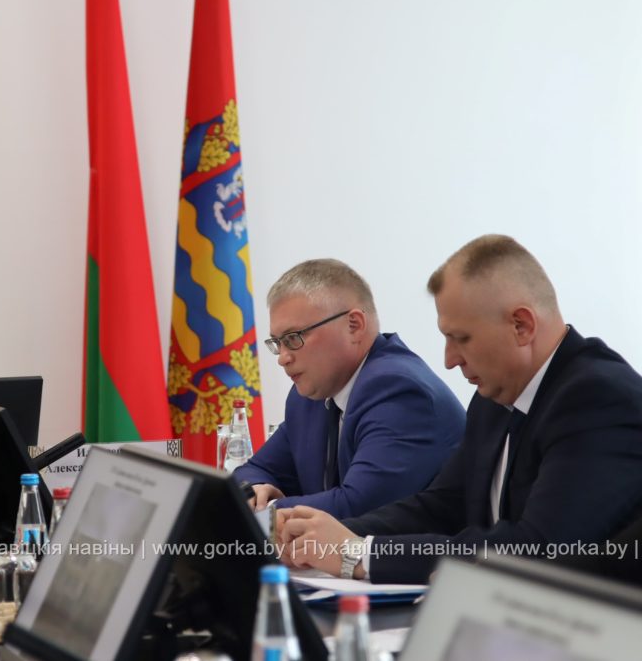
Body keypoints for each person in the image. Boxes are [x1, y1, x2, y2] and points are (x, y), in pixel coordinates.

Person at [277, 235, 642, 584]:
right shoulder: (493, 399)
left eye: (461, 338)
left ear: (522, 325)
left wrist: (359, 554)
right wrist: (325, 537)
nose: (449, 360)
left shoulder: (597, 398)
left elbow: (537, 550)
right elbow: (441, 507)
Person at [233, 259, 465, 518]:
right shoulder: (310, 396)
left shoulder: (399, 391)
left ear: (354, 325)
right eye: (278, 343)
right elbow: (254, 470)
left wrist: (267, 511)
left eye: (293, 338)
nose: (283, 358)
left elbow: (355, 507)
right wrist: (256, 490)